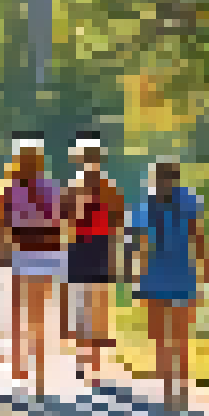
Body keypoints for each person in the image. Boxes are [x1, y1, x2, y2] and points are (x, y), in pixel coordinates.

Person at [129, 159, 209, 415]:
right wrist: (207, 275)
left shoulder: (154, 205)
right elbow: (197, 240)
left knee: (167, 340)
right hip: (174, 278)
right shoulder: (177, 203)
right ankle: (177, 393)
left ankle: (172, 394)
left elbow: (143, 248)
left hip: (164, 279)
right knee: (173, 338)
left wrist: (137, 282)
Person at [0, 136, 65, 395]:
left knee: (18, 310)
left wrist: (3, 248)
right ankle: (39, 369)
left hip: (23, 251)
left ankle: (19, 363)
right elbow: (58, 221)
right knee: (38, 312)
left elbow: (1, 223)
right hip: (45, 251)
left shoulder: (9, 188)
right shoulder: (51, 187)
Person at [61, 133, 125, 381]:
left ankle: (89, 362)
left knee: (92, 306)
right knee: (89, 306)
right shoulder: (83, 187)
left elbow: (117, 221)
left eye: (91, 158)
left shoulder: (104, 187)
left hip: (92, 247)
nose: (89, 163)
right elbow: (118, 223)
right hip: (88, 247)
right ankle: (87, 362)